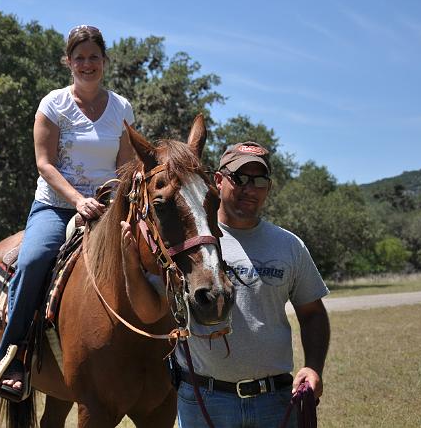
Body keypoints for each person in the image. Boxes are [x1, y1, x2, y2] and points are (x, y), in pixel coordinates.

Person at [120, 141, 330, 427]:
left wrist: (313, 367)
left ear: (268, 187)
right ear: (218, 181)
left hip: (275, 399)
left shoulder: (288, 246)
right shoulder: (186, 243)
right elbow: (150, 312)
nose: (249, 188)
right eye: (239, 178)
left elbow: (313, 313)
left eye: (259, 180)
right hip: (205, 400)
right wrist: (131, 265)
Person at [0, 25, 135, 400]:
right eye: (80, 58)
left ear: (104, 61)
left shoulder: (121, 107)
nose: (87, 64)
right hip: (56, 206)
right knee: (34, 258)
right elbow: (45, 164)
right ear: (68, 62)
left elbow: (125, 165)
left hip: (107, 207)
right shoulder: (53, 104)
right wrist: (77, 200)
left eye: (94, 57)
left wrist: (113, 199)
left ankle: (175, 349)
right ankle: (14, 355)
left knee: (152, 252)